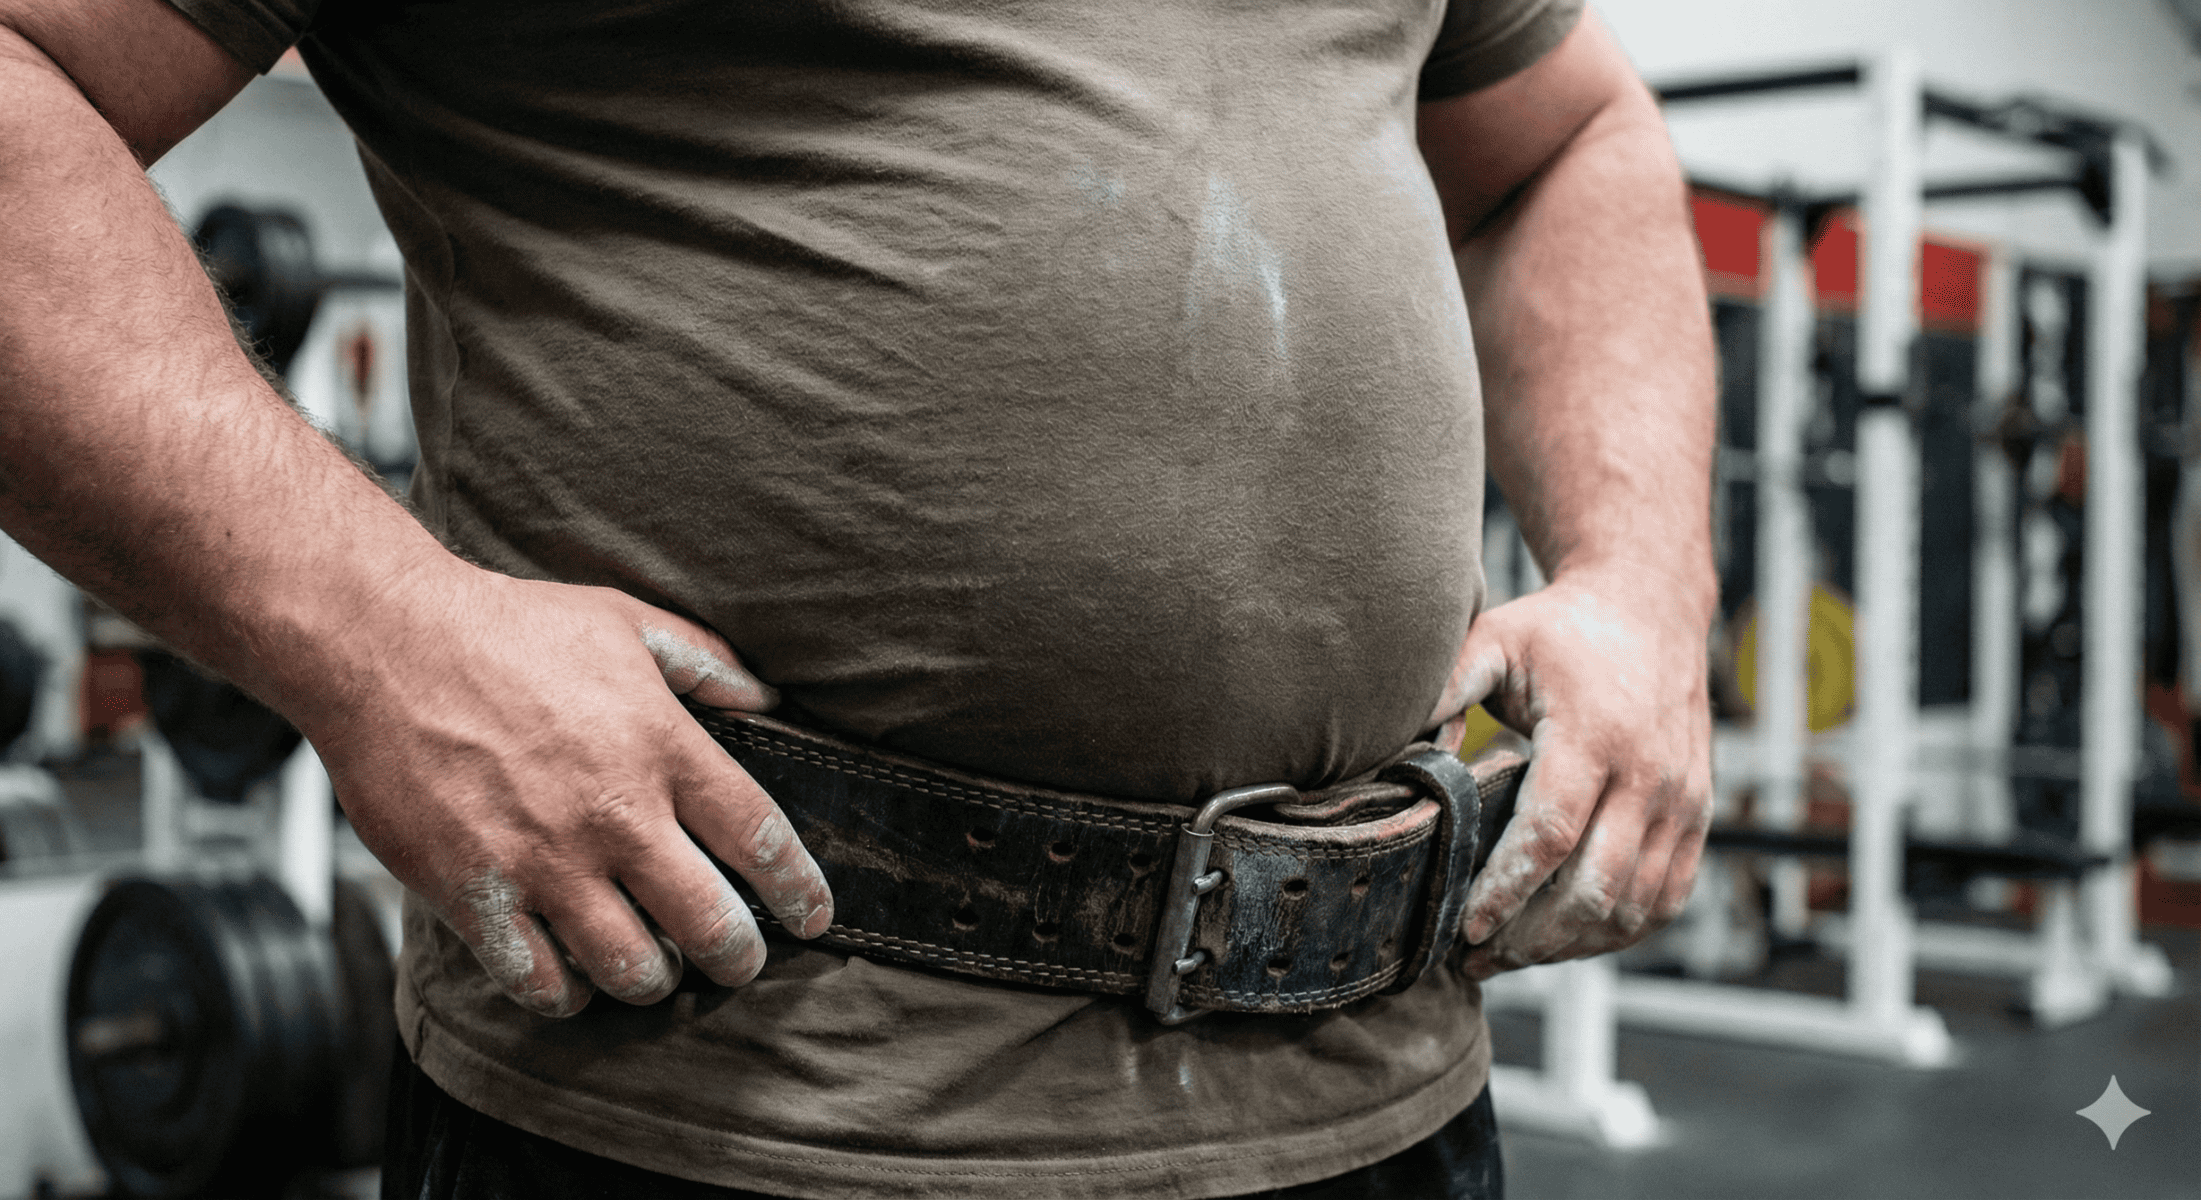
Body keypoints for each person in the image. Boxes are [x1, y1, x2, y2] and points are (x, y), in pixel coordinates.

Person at [0, 0, 1715, 1195]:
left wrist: (1645, 586)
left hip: (1383, 1100)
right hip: (748, 1115)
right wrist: (373, 635)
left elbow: (1567, 143)